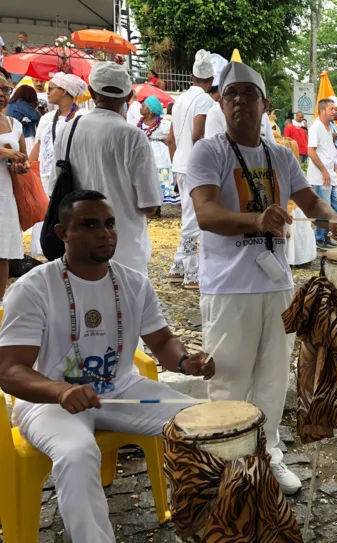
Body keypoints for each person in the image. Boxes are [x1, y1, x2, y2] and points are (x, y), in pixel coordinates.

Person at [0, 190, 214, 543]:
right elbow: (10, 370)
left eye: (110, 223)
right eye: (90, 224)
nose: (105, 232)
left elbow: (161, 343)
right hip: (49, 401)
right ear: (62, 232)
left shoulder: (132, 282)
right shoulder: (34, 288)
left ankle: (204, 527)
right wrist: (62, 390)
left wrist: (184, 360)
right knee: (76, 452)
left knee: (203, 424)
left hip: (121, 391)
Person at [186, 61, 337, 494]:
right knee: (229, 377)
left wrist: (332, 218)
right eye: (230, 94)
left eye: (248, 94)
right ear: (221, 103)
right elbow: (205, 214)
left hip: (276, 283)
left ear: (265, 104)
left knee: (274, 378)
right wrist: (257, 219)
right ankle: (227, 464)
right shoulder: (210, 150)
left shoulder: (280, 154)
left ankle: (268, 453)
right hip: (229, 285)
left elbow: (308, 199)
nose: (239, 101)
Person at [50, 62, 163, 275]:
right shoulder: (132, 136)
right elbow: (150, 203)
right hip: (125, 249)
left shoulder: (69, 130)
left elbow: (54, 189)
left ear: (91, 92)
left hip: (79, 247)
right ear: (129, 96)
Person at [167, 49, 216, 288]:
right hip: (194, 165)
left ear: (191, 76)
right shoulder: (205, 100)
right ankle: (191, 272)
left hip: (180, 163)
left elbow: (171, 138)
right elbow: (199, 134)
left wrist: (175, 160)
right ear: (210, 80)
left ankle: (178, 267)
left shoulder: (180, 100)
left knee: (188, 215)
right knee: (192, 219)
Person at [29, 73, 89, 257]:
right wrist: (30, 171)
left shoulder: (83, 116)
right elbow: (39, 145)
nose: (47, 93)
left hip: (74, 174)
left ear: (64, 91)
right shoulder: (47, 118)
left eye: (51, 89)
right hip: (48, 174)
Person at [0, 74, 27, 304]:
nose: (2, 95)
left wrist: (20, 165)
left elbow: (25, 161)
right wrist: (4, 152)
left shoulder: (13, 124)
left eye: (6, 90)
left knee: (2, 252)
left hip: (4, 193)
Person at [307, 98, 337, 249]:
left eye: (334, 109)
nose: (334, 111)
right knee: (324, 209)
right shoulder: (316, 127)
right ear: (322, 111)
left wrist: (334, 166)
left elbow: (328, 150)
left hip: (331, 174)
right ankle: (320, 238)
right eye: (331, 109)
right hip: (321, 176)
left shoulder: (330, 127)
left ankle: (325, 236)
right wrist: (323, 170)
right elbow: (311, 151)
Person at [137, 95, 176, 206]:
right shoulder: (140, 123)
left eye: (143, 106)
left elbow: (173, 135)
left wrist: (167, 139)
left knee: (159, 176)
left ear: (150, 110)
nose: (141, 108)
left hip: (159, 156)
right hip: (144, 154)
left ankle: (159, 204)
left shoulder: (163, 124)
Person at [6, 84, 40, 149]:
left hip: (11, 134)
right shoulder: (20, 103)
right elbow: (35, 116)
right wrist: (35, 110)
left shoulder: (11, 103)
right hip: (24, 135)